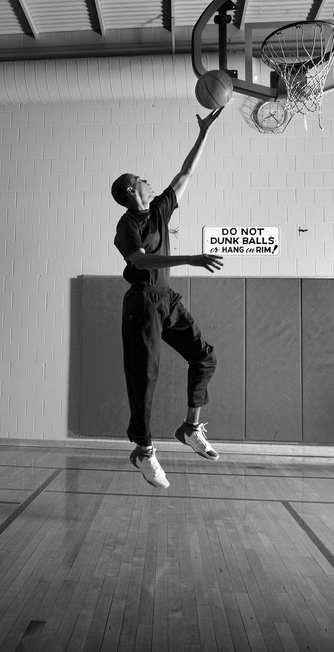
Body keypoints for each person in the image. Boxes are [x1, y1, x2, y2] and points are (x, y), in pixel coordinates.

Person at [110, 107, 225, 488]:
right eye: (142, 180)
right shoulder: (126, 227)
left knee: (203, 355)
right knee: (144, 378)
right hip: (142, 302)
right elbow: (141, 260)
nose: (149, 181)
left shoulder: (160, 208)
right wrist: (189, 257)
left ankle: (190, 428)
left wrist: (203, 133)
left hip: (166, 298)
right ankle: (143, 451)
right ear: (131, 191)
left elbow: (186, 172)